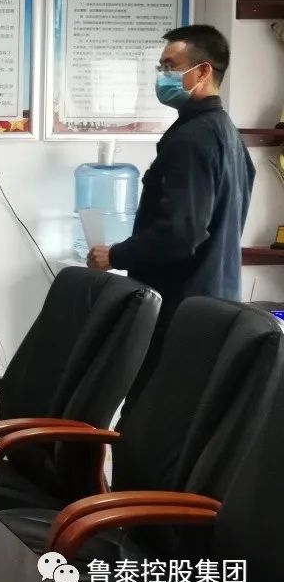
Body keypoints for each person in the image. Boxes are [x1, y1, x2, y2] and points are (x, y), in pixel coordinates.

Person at [88, 25, 254, 405]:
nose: (161, 76)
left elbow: (181, 233)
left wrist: (116, 254)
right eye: (160, 67)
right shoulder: (226, 133)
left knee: (150, 416)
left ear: (203, 71)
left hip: (180, 309)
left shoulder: (193, 139)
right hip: (214, 306)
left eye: (170, 66)